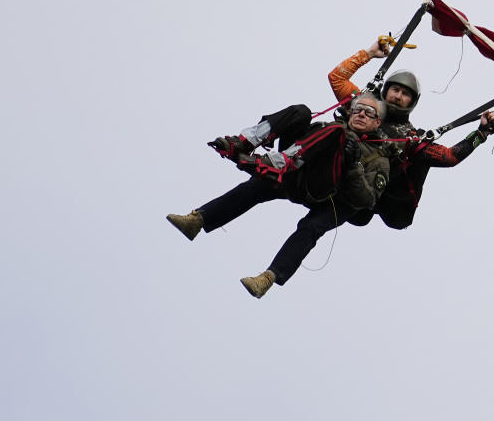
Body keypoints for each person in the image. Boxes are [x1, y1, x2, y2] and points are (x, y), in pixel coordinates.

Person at [166, 94, 390, 299]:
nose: (361, 114)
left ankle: (269, 277)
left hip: (324, 189)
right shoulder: (331, 126)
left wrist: (352, 166)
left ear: (377, 122)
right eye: (358, 109)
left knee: (310, 228)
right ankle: (199, 217)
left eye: (369, 112)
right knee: (300, 112)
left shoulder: (379, 158)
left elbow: (366, 200)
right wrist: (368, 54)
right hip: (297, 171)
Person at [328, 38, 494, 230]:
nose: (398, 96)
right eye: (395, 89)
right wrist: (368, 54)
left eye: (405, 94)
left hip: (369, 199)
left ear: (412, 101)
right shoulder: (364, 106)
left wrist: (481, 133)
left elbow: (449, 157)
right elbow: (336, 78)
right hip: (335, 178)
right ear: (386, 91)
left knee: (363, 212)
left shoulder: (410, 137)